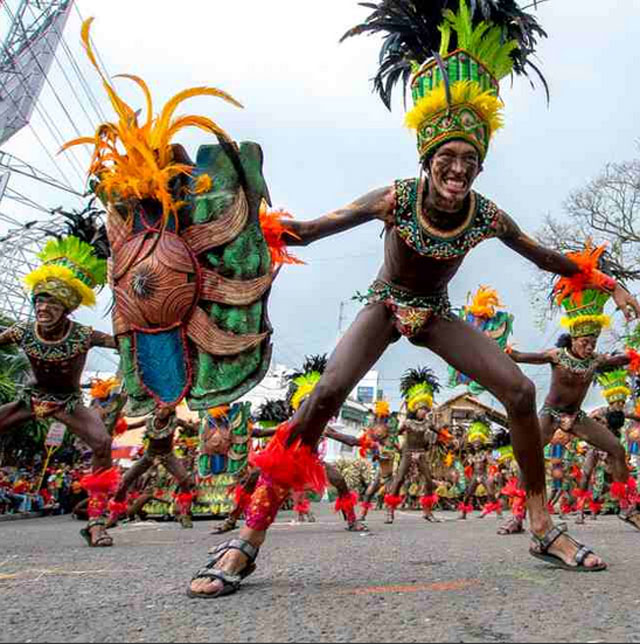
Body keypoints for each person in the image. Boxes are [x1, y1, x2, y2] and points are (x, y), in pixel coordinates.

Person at [188, 0, 640, 597]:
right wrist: (244, 226)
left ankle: (541, 523)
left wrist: (607, 282)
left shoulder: (485, 216)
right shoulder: (394, 199)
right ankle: (248, 536)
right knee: (323, 394)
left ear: (479, 167)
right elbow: (314, 230)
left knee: (520, 391)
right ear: (426, 161)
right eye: (447, 159)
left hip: (436, 316)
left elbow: (548, 259)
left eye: (469, 161)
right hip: (384, 304)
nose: (458, 169)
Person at [0, 223, 120, 547]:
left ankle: (96, 523)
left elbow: (123, 343)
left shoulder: (84, 335)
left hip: (67, 402)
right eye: (38, 303)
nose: (43, 309)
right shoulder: (22, 332)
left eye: (51, 303)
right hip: (30, 398)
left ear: (66, 308)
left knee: (102, 443)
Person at [507, 253, 640, 533]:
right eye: (584, 341)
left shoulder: (596, 360)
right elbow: (524, 356)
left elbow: (624, 359)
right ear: (573, 338)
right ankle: (518, 515)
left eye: (593, 341)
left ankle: (627, 507)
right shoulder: (556, 355)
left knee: (616, 448)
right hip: (550, 416)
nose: (589, 346)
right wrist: (508, 352)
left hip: (577, 417)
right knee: (529, 457)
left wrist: (632, 355)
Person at [383, 367, 443, 524]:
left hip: (421, 453)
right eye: (421, 408)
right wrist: (395, 446)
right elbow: (394, 434)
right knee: (399, 480)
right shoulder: (407, 423)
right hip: (408, 453)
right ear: (415, 409)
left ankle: (428, 512)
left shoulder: (428, 423)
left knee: (429, 481)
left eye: (426, 409)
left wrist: (450, 438)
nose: (424, 411)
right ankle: (390, 512)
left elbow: (441, 432)